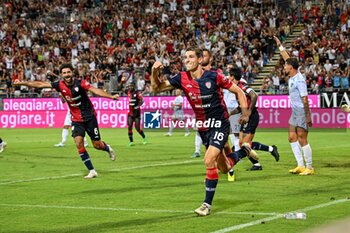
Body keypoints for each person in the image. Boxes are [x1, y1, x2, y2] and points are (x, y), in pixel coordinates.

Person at [151, 47, 254, 216]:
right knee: (224, 167)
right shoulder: (182, 78)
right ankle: (244, 151)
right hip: (203, 127)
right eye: (185, 57)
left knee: (208, 160)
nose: (187, 60)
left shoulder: (214, 76)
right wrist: (154, 72)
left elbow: (239, 92)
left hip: (220, 123)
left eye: (191, 57)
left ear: (200, 60)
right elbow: (156, 88)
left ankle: (206, 204)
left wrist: (245, 113)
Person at [14, 63, 119, 179]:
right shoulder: (59, 85)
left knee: (97, 145)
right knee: (78, 143)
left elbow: (95, 90)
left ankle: (107, 148)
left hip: (89, 117)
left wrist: (111, 97)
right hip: (76, 119)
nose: (67, 75)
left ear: (72, 72)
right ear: (61, 75)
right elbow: (40, 84)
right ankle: (92, 170)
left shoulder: (81, 83)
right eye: (64, 73)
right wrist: (22, 83)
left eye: (68, 72)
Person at [274, 36, 314, 175]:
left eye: (286, 65)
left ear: (291, 67)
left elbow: (305, 99)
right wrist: (280, 46)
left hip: (302, 112)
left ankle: (309, 167)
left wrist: (308, 116)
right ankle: (300, 165)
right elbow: (287, 57)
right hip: (295, 112)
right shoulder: (292, 75)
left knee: (302, 139)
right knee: (292, 137)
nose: (284, 66)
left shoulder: (299, 80)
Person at [229, 65, 280, 172]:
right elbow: (241, 107)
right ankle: (260, 161)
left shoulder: (242, 86)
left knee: (245, 145)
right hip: (247, 117)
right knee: (242, 144)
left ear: (233, 77)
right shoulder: (237, 90)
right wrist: (230, 113)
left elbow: (254, 96)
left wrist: (248, 113)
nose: (228, 79)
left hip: (251, 117)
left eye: (229, 76)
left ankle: (231, 161)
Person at [127, 82, 147, 146]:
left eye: (131, 86)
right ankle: (131, 142)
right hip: (130, 113)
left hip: (137, 114)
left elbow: (142, 101)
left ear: (134, 86)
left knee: (137, 128)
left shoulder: (137, 93)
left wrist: (138, 106)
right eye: (129, 86)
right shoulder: (128, 92)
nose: (130, 87)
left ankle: (144, 137)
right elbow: (120, 87)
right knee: (129, 126)